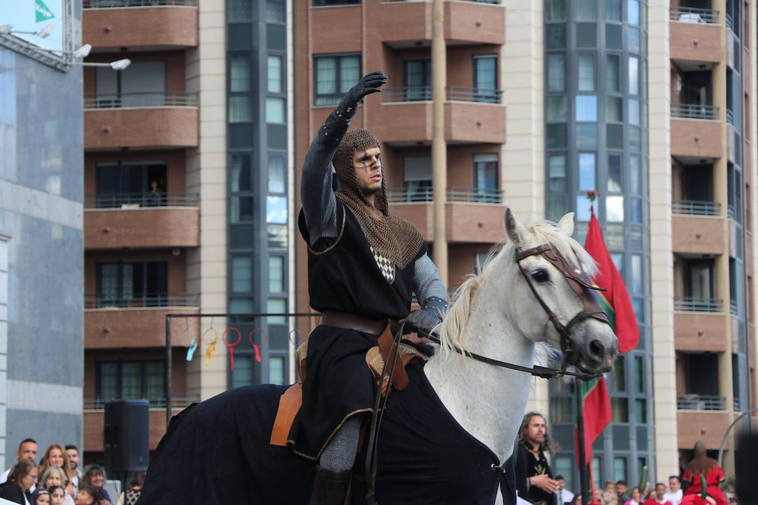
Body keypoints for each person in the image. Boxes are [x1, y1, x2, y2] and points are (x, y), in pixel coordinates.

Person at [288, 71, 448, 505]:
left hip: (394, 344)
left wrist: (432, 311)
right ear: (346, 168)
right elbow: (313, 165)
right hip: (343, 346)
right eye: (364, 159)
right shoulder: (330, 215)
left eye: (377, 157)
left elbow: (433, 285)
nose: (376, 163)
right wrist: (343, 111)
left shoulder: (402, 231)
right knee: (350, 416)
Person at [510, 412, 559, 505]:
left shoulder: (541, 454)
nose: (541, 430)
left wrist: (554, 485)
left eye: (543, 426)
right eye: (536, 425)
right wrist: (531, 481)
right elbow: (509, 482)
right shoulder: (518, 452)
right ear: (525, 429)